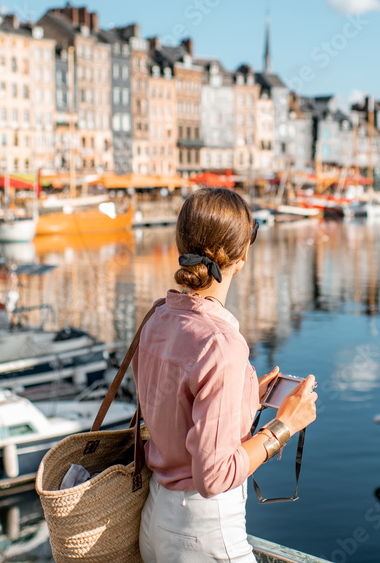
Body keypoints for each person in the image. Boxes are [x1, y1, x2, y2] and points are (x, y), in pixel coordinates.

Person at [133, 188, 317, 563]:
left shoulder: (156, 318)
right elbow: (214, 476)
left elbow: (175, 410)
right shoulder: (221, 344)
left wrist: (245, 393)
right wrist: (284, 426)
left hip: (154, 521)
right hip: (203, 531)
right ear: (243, 254)